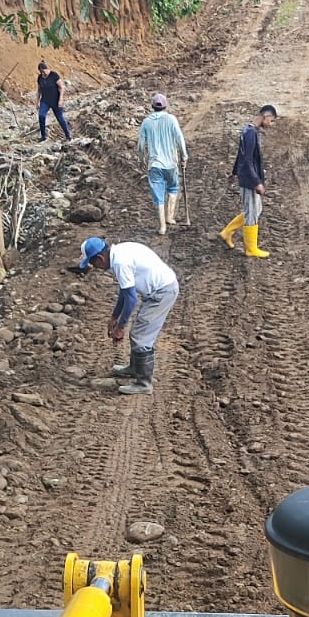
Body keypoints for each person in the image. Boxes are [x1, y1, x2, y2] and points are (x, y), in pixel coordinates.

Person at [77, 235, 179, 396]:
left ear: (100, 258)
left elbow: (131, 299)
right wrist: (114, 316)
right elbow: (125, 291)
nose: (94, 267)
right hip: (160, 289)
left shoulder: (120, 263)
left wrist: (120, 327)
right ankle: (135, 369)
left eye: (92, 263)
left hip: (162, 293)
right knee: (138, 333)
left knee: (140, 336)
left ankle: (144, 383)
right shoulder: (119, 252)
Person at [220, 104, 277, 259]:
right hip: (249, 179)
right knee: (252, 213)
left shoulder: (248, 130)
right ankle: (251, 249)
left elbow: (241, 154)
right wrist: (256, 182)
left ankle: (227, 232)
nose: (271, 124)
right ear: (266, 117)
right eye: (272, 121)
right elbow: (246, 160)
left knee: (255, 210)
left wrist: (234, 172)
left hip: (247, 177)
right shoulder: (251, 133)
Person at [137, 92, 188, 236]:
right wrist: (184, 156)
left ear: (152, 106)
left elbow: (141, 145)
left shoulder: (146, 122)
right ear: (166, 106)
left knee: (158, 195)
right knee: (173, 188)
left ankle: (162, 226)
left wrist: (141, 159)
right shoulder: (171, 119)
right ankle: (170, 217)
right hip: (171, 163)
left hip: (154, 164)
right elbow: (180, 139)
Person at [37, 60, 72, 143]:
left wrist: (61, 99)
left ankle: (68, 136)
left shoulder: (54, 75)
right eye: (41, 72)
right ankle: (43, 136)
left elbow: (62, 87)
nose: (43, 74)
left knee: (60, 118)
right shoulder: (40, 78)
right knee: (41, 116)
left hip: (55, 100)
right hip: (45, 100)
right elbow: (39, 90)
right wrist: (37, 101)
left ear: (46, 69)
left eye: (44, 72)